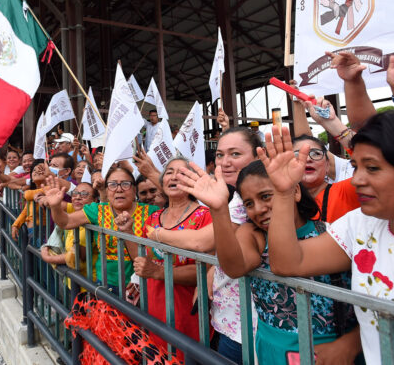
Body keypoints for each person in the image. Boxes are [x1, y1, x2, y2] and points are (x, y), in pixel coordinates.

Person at [262, 112, 394, 365]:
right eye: (355, 167)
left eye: (373, 168)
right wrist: (283, 192)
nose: (356, 180)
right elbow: (287, 263)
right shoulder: (361, 226)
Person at [178, 159, 361, 363]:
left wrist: (350, 344)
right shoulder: (254, 234)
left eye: (266, 196)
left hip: (328, 353)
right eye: (249, 203)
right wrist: (219, 211)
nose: (258, 209)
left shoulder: (332, 235)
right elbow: (234, 267)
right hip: (270, 351)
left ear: (295, 192)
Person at [145, 127, 262, 363]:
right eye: (219, 155)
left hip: (253, 324)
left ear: (258, 156)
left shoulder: (232, 204)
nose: (225, 162)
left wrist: (157, 235)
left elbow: (202, 242)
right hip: (225, 316)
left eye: (235, 154)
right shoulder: (235, 199)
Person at [133, 156, 212, 361]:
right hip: (154, 308)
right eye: (169, 172)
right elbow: (142, 262)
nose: (174, 177)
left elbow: (209, 271)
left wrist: (159, 272)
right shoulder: (153, 218)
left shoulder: (206, 217)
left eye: (183, 173)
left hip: (187, 314)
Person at [44, 164, 159, 295]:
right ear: (107, 190)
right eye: (113, 184)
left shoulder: (151, 212)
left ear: (134, 190)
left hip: (140, 286)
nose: (119, 189)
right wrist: (55, 206)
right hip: (105, 285)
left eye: (125, 184)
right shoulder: (98, 210)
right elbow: (65, 222)